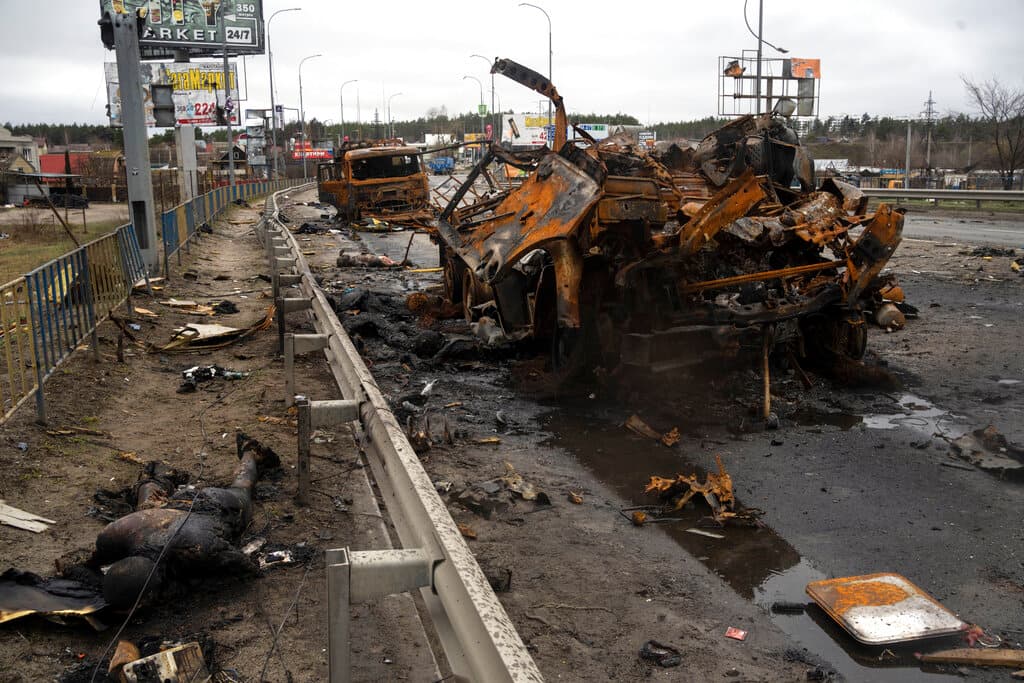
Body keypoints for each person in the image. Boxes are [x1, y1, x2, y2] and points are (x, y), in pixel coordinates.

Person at [91, 432, 280, 609]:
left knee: (242, 488)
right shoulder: (113, 534)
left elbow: (246, 568)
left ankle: (251, 453)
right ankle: (158, 479)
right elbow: (93, 561)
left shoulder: (197, 549)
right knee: (147, 505)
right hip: (169, 507)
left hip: (215, 503)